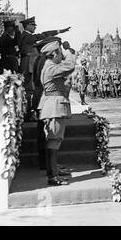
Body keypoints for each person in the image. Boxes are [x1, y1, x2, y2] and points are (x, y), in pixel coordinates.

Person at [38, 40, 76, 186]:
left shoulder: (50, 66)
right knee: (53, 142)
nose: (61, 55)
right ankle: (53, 177)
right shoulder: (51, 68)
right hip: (54, 108)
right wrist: (69, 54)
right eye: (60, 52)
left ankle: (53, 172)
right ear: (54, 54)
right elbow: (70, 66)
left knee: (54, 141)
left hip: (53, 106)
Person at [18, 16, 70, 120]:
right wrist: (58, 31)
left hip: (28, 64)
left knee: (31, 91)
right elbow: (42, 35)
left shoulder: (25, 36)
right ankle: (28, 114)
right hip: (28, 66)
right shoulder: (26, 36)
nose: (35, 27)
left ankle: (30, 113)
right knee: (29, 91)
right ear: (27, 26)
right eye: (33, 25)